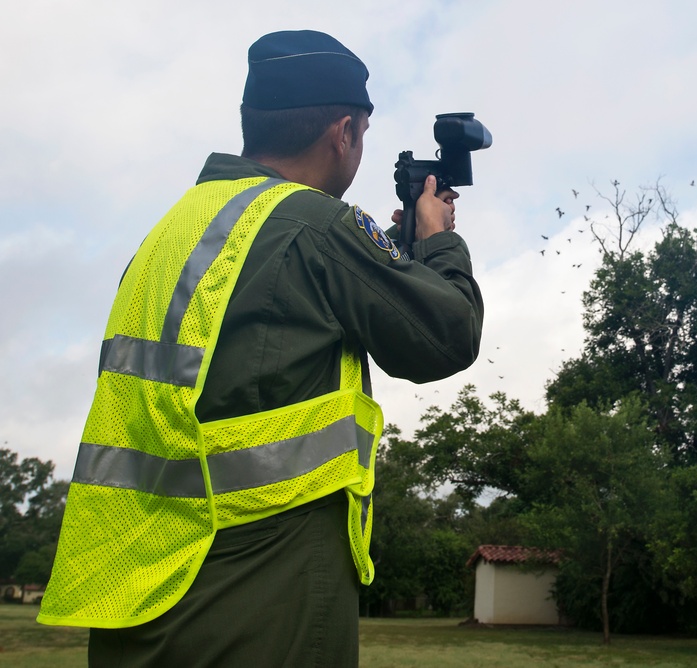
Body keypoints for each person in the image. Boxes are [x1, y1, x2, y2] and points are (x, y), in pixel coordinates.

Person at [37, 30, 484, 667]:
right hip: (261, 600)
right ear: (344, 132)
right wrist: (436, 239)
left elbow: (270, 310)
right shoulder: (318, 226)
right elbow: (448, 335)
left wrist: (385, 247)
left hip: (143, 596)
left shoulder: (178, 228)